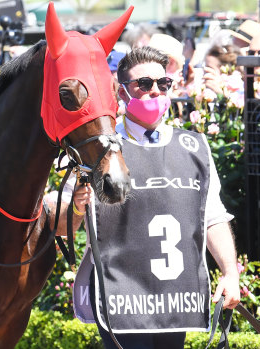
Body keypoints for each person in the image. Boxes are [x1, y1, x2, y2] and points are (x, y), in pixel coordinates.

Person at [70, 46, 240, 349]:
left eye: (163, 84)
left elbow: (212, 215)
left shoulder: (193, 146)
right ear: (122, 93)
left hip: (176, 293)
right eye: (144, 84)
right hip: (119, 292)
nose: (155, 92)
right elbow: (67, 221)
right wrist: (75, 208)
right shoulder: (100, 149)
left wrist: (230, 273)